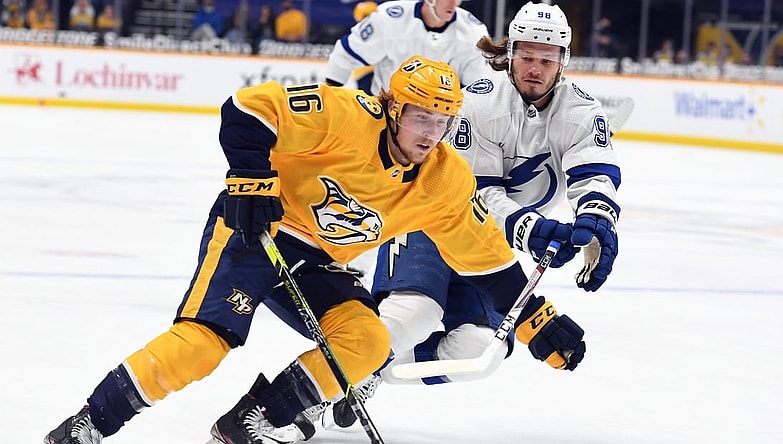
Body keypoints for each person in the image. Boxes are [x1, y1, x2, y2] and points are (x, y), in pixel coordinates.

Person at [45, 55, 580, 444]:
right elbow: (247, 110)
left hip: (319, 263)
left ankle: (252, 419)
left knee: (368, 341)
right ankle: (88, 424)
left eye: (442, 123)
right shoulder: (346, 115)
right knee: (205, 343)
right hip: (259, 228)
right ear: (393, 108)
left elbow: (487, 261)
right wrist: (252, 181)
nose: (430, 134)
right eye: (421, 117)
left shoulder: (443, 181)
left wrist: (539, 320)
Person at [273, 2, 616, 441]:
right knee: (413, 314)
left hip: (492, 247)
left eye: (547, 59)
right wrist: (532, 228)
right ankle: (303, 403)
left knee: (480, 352)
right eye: (527, 56)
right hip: (429, 221)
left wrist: (597, 220)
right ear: (510, 53)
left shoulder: (582, 111)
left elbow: (595, 170)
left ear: (563, 62)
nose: (536, 68)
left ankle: (373, 367)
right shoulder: (479, 101)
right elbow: (473, 192)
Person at [325, 0, 490, 95]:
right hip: (385, 114)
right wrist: (331, 95)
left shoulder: (473, 32)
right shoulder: (389, 18)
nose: (454, 4)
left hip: (440, 122)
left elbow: (478, 87)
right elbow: (346, 55)